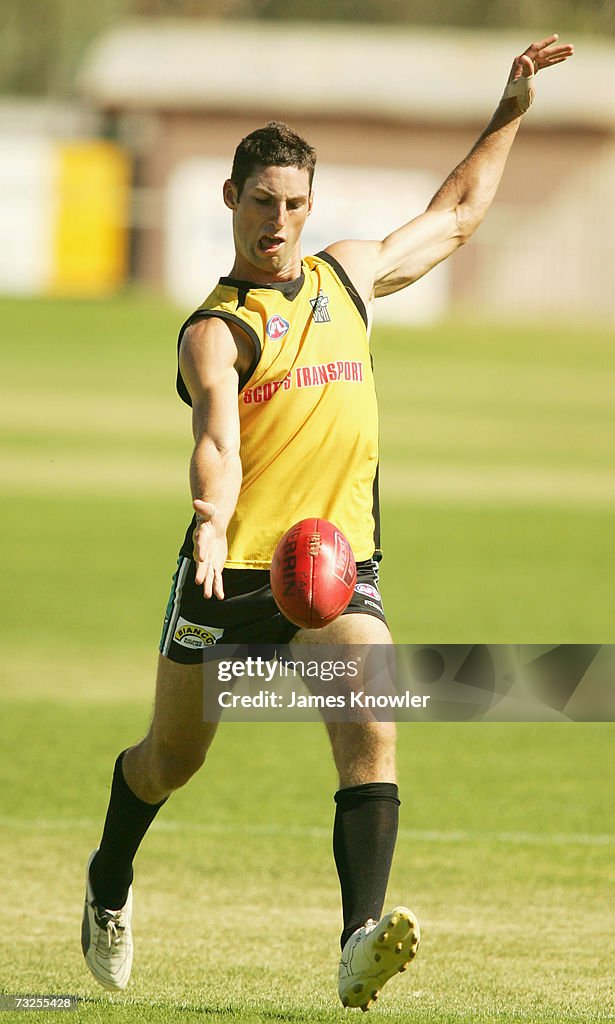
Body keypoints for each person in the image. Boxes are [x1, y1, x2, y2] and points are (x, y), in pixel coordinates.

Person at [81, 34, 573, 1011]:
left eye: (296, 203)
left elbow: (456, 216)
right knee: (168, 760)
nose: (280, 221)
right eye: (263, 202)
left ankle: (358, 939)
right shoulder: (215, 328)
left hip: (333, 567)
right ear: (230, 201)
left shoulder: (347, 280)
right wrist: (212, 521)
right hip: (230, 574)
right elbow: (217, 436)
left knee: (373, 737)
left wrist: (510, 112)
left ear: (313, 202)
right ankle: (107, 879)